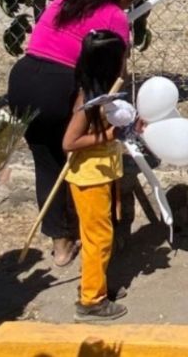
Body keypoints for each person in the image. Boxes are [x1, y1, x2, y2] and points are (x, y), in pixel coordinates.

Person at [7, 0, 147, 268]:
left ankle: (61, 244)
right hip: (61, 85)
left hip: (23, 79)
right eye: (131, 0)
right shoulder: (114, 15)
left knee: (45, 162)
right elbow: (115, 72)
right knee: (86, 155)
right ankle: (99, 240)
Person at [62, 30, 129, 322]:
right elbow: (69, 143)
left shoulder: (105, 92)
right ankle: (91, 301)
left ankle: (95, 282)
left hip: (100, 174)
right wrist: (108, 136)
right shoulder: (86, 100)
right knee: (98, 238)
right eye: (122, 59)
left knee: (102, 235)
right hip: (89, 179)